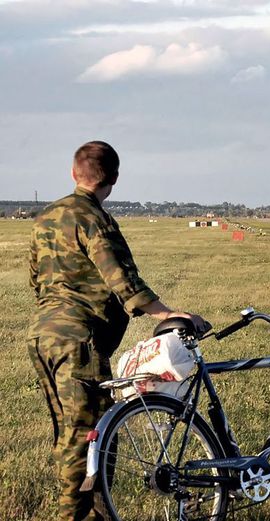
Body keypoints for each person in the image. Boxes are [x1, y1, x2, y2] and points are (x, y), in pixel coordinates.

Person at [27, 141, 207, 520]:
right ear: (114, 179)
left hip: (43, 336)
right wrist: (169, 313)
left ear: (73, 172)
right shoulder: (95, 218)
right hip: (79, 341)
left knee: (69, 435)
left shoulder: (45, 217)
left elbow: (36, 279)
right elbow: (121, 279)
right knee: (91, 441)